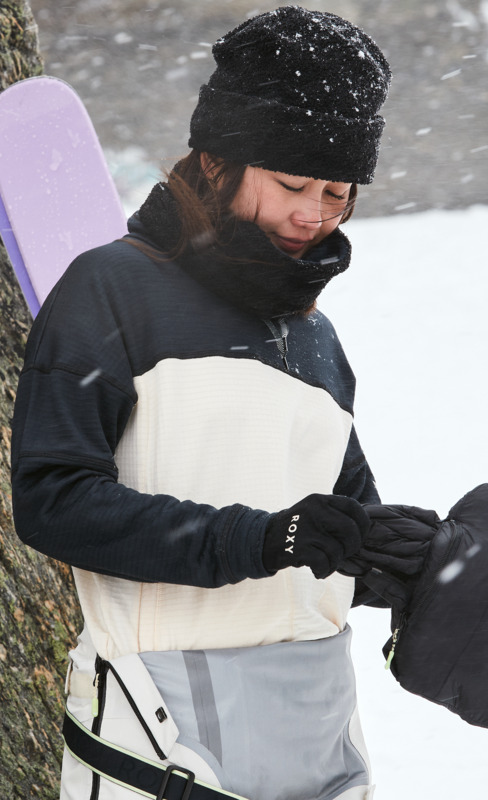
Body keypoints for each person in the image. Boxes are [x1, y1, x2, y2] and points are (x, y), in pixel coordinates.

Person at [11, 7, 393, 800]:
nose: (315, 215)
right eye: (292, 183)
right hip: (157, 730)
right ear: (216, 162)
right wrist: (259, 539)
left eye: (337, 192)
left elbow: (346, 537)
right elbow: (55, 502)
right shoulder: (110, 291)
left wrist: (464, 558)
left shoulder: (314, 339)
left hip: (314, 735)